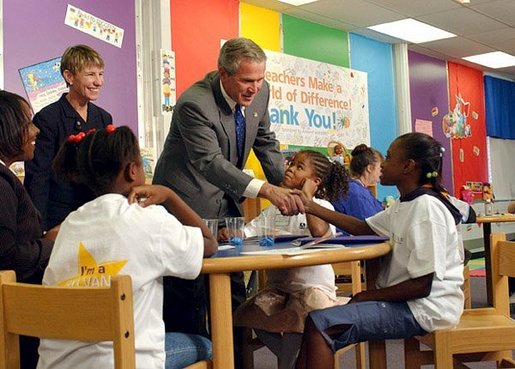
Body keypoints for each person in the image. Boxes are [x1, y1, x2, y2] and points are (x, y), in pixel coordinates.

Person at [152, 37, 303, 364]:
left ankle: (236, 361)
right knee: (190, 296)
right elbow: (210, 162)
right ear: (222, 73)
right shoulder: (194, 102)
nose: (255, 88)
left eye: (260, 79)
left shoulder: (261, 93)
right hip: (186, 201)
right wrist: (266, 190)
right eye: (247, 80)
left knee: (233, 294)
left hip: (225, 203)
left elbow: (266, 142)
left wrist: (290, 185)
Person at [38, 126, 217, 369]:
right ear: (133, 171)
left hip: (59, 364)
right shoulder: (147, 218)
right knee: (208, 345)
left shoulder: (70, 224)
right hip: (124, 362)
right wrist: (169, 195)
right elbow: (209, 243)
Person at [293, 132, 465, 369]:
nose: (382, 164)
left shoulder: (427, 209)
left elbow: (423, 285)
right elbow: (364, 226)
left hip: (426, 309)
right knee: (318, 322)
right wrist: (310, 205)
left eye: (390, 157)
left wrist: (368, 295)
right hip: (412, 303)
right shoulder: (406, 203)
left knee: (322, 324)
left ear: (408, 166)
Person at [230, 150, 349, 369]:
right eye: (291, 163)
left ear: (314, 181)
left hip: (313, 289)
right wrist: (233, 234)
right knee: (248, 316)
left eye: (299, 166)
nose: (290, 168)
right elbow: (249, 231)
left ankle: (291, 363)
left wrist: (307, 199)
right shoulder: (275, 208)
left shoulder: (323, 207)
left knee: (297, 323)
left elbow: (319, 233)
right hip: (279, 290)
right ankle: (297, 360)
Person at [24, 44, 112, 231]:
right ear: (69, 76)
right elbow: (38, 177)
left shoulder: (104, 118)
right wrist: (38, 227)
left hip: (95, 214)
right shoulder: (48, 118)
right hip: (59, 217)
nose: (99, 82)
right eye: (91, 74)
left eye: (101, 74)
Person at [0, 91, 57, 369]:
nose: (35, 130)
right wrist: (49, 244)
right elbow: (6, 257)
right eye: (27, 123)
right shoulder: (1, 184)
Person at [331, 144, 383, 234]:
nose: (382, 171)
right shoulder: (356, 192)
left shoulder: (355, 188)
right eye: (380, 168)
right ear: (370, 168)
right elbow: (371, 228)